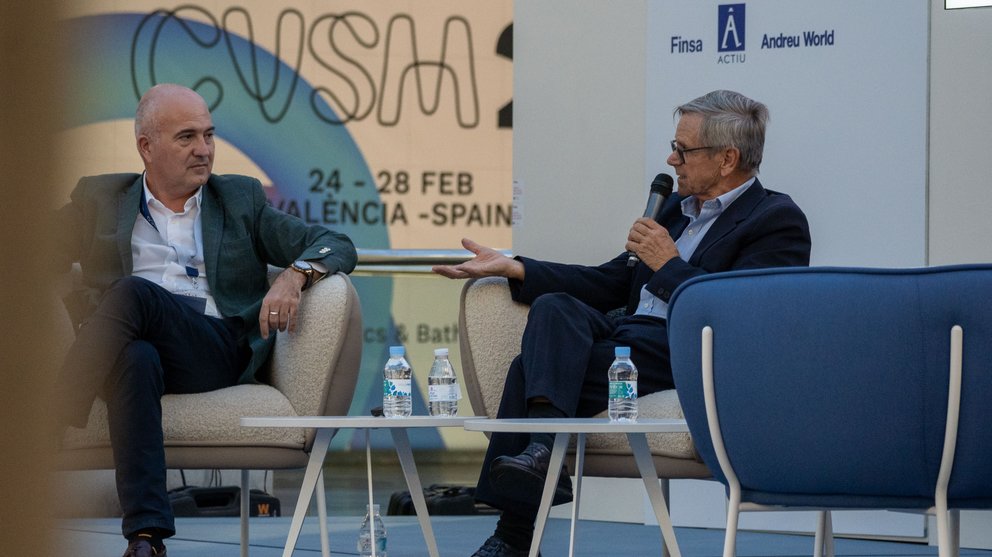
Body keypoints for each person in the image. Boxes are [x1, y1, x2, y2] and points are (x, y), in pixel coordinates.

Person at [433, 90, 812, 557]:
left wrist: (669, 265)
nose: (671, 159)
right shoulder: (674, 210)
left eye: (684, 150)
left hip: (685, 352)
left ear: (727, 158)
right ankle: (542, 454)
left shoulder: (776, 220)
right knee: (555, 305)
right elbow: (611, 281)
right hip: (627, 338)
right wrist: (517, 267)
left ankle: (513, 534)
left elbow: (744, 316)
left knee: (526, 368)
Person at [54, 84, 357, 557]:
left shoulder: (239, 200)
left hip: (213, 348)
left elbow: (335, 242)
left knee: (134, 293)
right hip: (133, 348)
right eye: (187, 137)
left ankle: (50, 424)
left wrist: (295, 275)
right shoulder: (101, 200)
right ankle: (146, 536)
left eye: (209, 136)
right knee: (135, 357)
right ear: (146, 147)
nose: (204, 150)